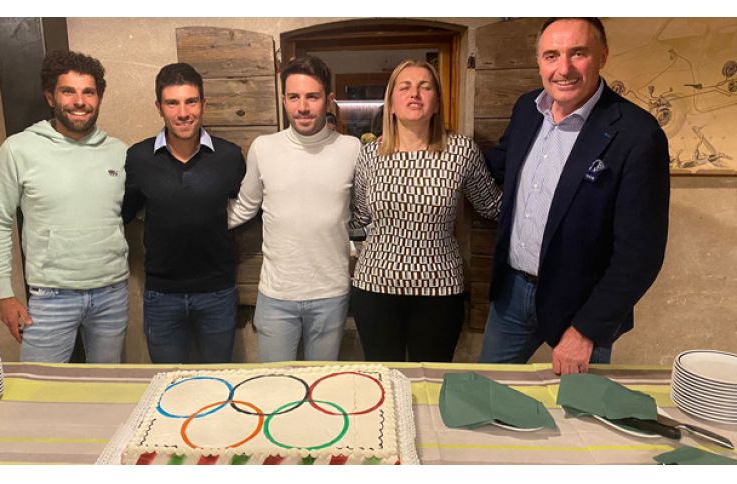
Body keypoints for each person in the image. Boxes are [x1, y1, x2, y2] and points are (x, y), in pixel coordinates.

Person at [479, 18, 671, 374]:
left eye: (578, 53)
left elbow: (640, 254)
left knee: (579, 404)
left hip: (582, 304)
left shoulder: (638, 134)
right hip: (513, 294)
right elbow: (500, 163)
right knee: (486, 388)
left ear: (603, 56)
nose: (563, 69)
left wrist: (586, 331)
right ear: (539, 61)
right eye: (551, 55)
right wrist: (437, 148)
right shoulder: (526, 109)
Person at [0, 50, 129, 363]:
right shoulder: (19, 149)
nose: (80, 101)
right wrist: (4, 293)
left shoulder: (119, 152)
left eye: (88, 92)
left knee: (106, 384)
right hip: (50, 298)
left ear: (99, 98)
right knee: (39, 386)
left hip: (111, 294)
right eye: (68, 91)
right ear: (50, 97)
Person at [350, 59, 502, 362]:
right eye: (404, 87)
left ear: (437, 102)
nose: (414, 94)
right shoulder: (370, 155)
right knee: (385, 377)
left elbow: (492, 206)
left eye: (425, 87)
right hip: (374, 287)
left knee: (431, 379)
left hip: (439, 290)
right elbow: (360, 218)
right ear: (391, 103)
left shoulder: (461, 151)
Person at [228, 56, 360, 363]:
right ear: (284, 99)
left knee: (321, 382)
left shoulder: (352, 148)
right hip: (276, 295)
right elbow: (244, 207)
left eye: (312, 97)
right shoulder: (264, 147)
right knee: (274, 383)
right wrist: (191, 218)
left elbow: (364, 214)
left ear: (329, 100)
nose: (302, 107)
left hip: (331, 293)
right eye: (294, 97)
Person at [122, 63, 245, 364]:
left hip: (218, 293)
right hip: (162, 296)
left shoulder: (229, 156)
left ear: (203, 104)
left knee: (217, 381)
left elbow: (245, 208)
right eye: (172, 103)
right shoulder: (139, 157)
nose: (183, 113)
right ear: (159, 107)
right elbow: (126, 211)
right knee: (167, 381)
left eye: (191, 102)